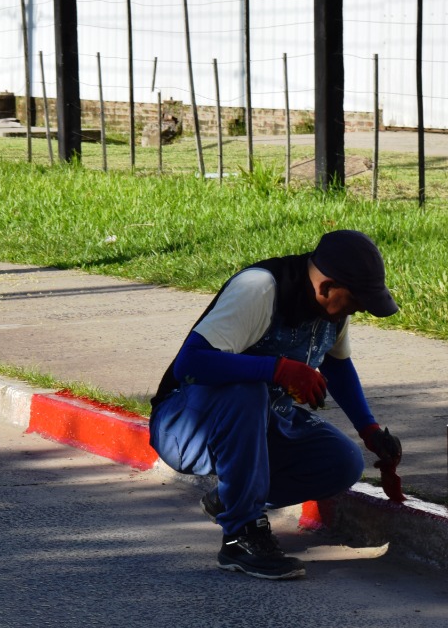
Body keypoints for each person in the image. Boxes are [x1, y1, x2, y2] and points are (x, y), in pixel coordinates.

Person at [149, 230, 406, 581]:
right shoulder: (260, 289)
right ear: (327, 287)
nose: (358, 309)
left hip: (262, 422)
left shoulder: (332, 310)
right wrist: (277, 369)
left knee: (342, 463)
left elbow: (337, 364)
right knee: (248, 390)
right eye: (356, 300)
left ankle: (231, 498)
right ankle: (240, 537)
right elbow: (190, 364)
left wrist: (369, 430)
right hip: (185, 423)